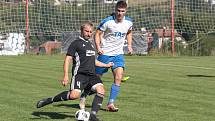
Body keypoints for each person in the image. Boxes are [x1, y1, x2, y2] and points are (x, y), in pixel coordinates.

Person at [36, 21, 113, 121]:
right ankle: (51, 100)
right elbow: (67, 59)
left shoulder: (91, 45)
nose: (89, 34)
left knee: (101, 90)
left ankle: (93, 116)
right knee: (74, 96)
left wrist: (106, 65)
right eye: (87, 31)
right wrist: (66, 76)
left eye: (90, 32)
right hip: (80, 75)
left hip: (92, 75)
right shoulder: (75, 44)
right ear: (82, 31)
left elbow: (94, 61)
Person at [80, 1, 133, 112]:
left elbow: (129, 32)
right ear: (115, 10)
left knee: (118, 77)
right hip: (105, 54)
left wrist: (129, 45)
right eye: (118, 10)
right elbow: (97, 34)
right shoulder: (107, 22)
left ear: (125, 11)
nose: (120, 13)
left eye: (122, 11)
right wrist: (98, 47)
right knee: (96, 79)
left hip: (118, 54)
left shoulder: (129, 22)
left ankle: (110, 103)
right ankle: (84, 96)